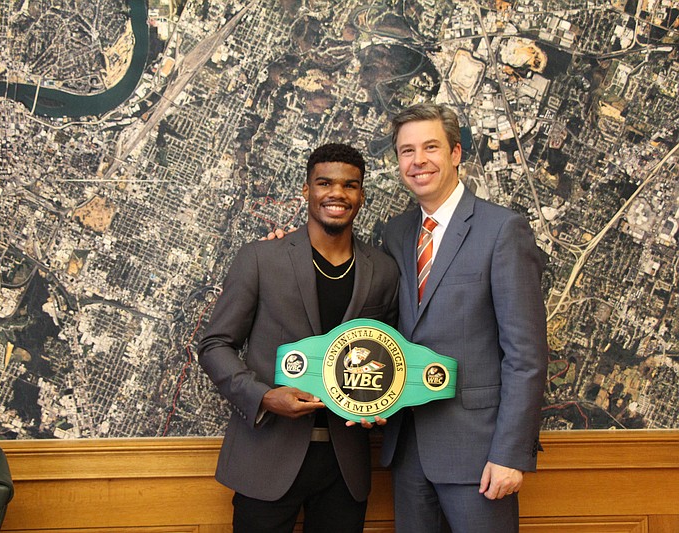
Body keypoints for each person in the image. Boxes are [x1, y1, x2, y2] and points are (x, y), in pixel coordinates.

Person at [197, 143, 400, 533]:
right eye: (325, 183)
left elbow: (389, 357)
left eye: (350, 185)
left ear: (361, 195)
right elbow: (215, 345)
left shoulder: (385, 272)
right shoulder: (260, 259)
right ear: (307, 191)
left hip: (346, 467)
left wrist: (384, 401)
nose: (337, 193)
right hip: (266, 457)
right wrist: (264, 397)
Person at [379, 102, 548, 532]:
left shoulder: (503, 230)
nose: (418, 161)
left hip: (480, 456)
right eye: (406, 151)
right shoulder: (395, 235)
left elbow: (525, 355)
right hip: (407, 451)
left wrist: (510, 453)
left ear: (455, 153)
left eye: (431, 147)